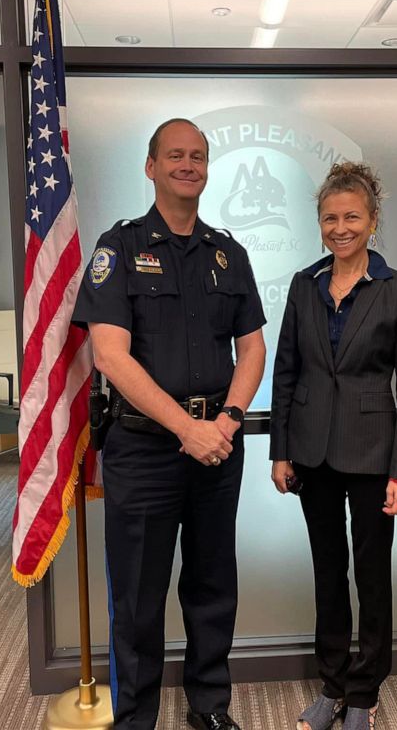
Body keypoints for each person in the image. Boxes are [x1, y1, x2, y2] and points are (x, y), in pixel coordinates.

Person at [75, 118, 266, 730]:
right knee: (137, 598)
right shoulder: (121, 248)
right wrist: (187, 428)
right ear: (151, 166)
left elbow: (253, 347)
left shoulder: (228, 253)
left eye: (199, 156)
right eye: (175, 155)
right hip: (144, 449)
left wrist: (229, 420)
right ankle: (136, 719)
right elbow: (110, 355)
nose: (189, 165)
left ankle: (209, 707)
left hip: (217, 448)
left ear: (207, 169)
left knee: (213, 588)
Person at [269, 162, 397, 730]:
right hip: (311, 453)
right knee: (327, 571)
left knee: (372, 574)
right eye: (331, 217)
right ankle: (332, 683)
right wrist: (280, 452)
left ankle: (364, 693)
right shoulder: (302, 284)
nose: (341, 227)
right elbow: (286, 372)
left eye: (352, 217)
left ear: (373, 221)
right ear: (319, 223)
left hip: (371, 454)